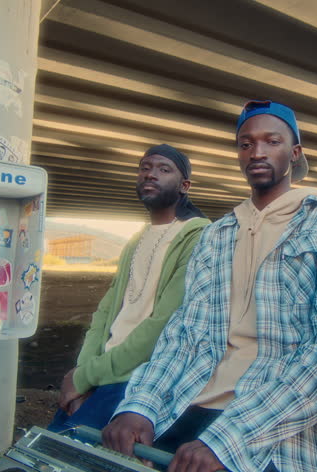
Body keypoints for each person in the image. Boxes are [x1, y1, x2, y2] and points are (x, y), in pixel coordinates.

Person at [103, 101, 317, 472]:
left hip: (292, 429)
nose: (257, 152)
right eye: (246, 144)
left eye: (271, 141)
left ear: (294, 153)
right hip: (195, 403)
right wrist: (140, 406)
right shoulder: (217, 235)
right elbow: (185, 332)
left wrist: (232, 439)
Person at [49, 144, 209, 433]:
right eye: (145, 168)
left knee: (76, 450)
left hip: (141, 377)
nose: (151, 174)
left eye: (164, 169)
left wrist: (86, 377)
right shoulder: (137, 240)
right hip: (102, 370)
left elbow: (164, 322)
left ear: (184, 185)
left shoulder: (198, 236)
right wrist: (83, 373)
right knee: (49, 449)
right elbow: (106, 311)